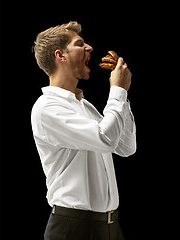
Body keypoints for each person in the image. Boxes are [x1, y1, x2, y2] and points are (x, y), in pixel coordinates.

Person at [31, 21, 136, 240]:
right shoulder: (47, 107)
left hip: (109, 226)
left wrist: (122, 96)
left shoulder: (84, 106)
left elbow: (126, 147)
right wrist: (117, 90)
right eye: (79, 44)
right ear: (60, 55)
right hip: (73, 228)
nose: (89, 48)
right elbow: (105, 139)